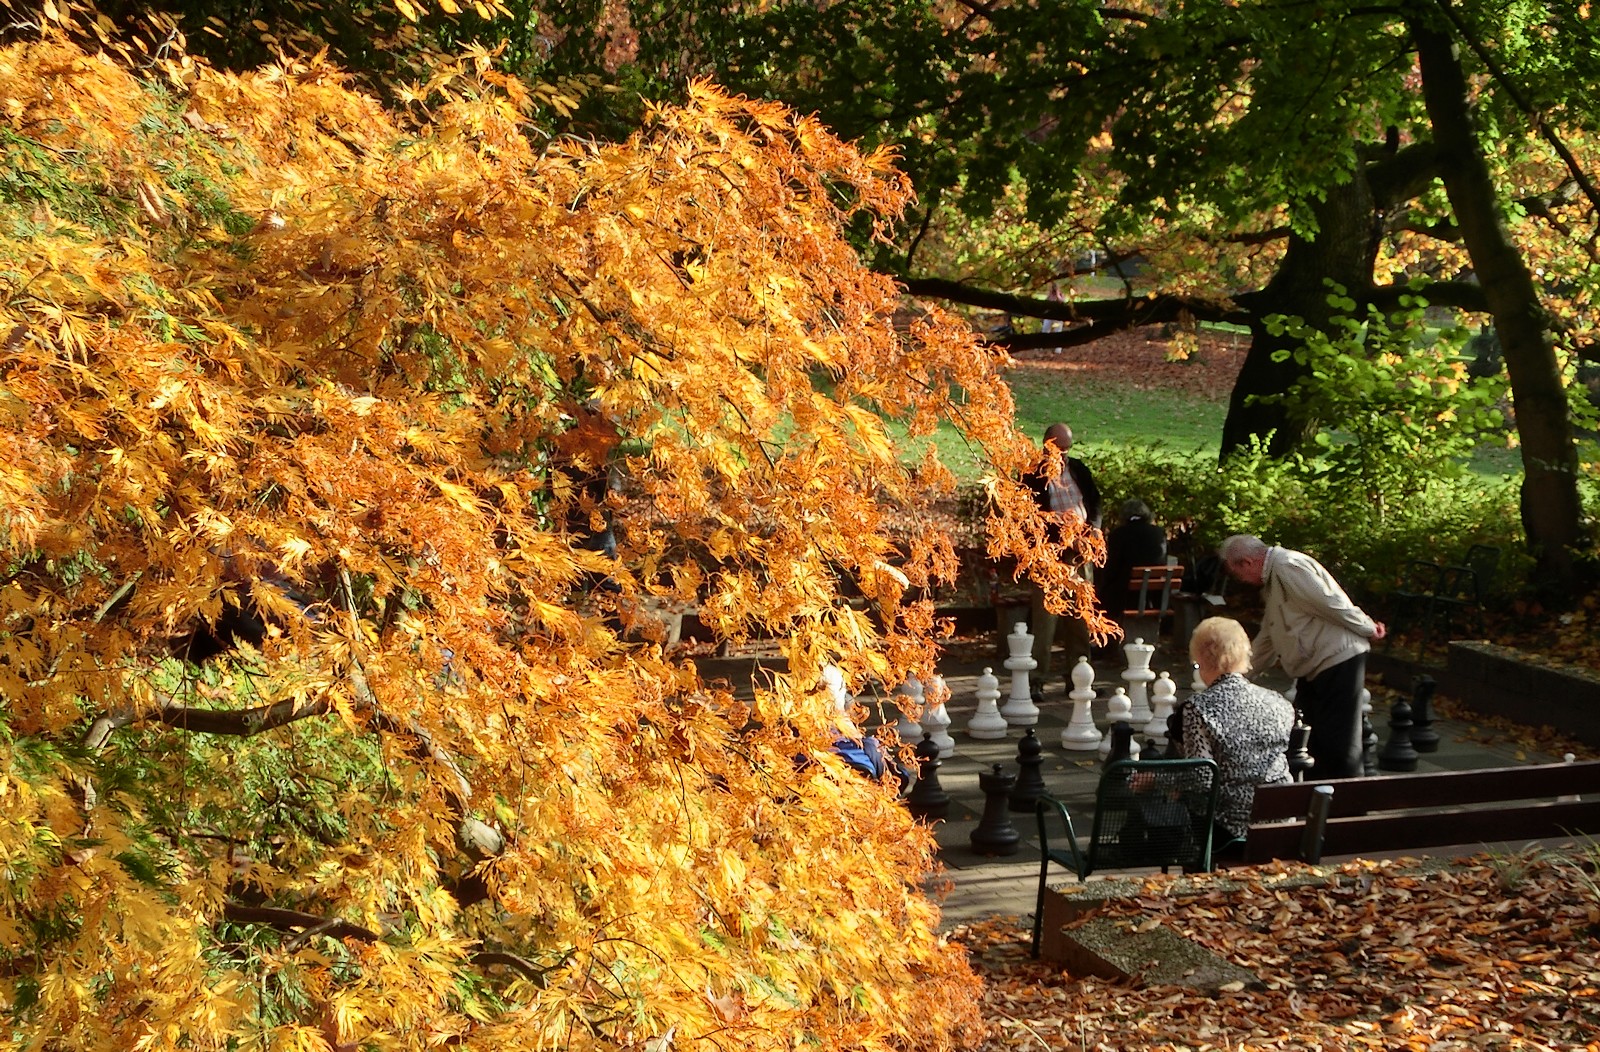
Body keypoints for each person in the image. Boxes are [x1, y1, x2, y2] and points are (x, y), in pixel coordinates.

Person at [1219, 534, 1386, 779]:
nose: (1240, 580)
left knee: (1339, 741)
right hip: (1316, 665)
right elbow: (1269, 634)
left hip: (1338, 658)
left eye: (1237, 573)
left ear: (1247, 562)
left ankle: (1349, 806)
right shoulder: (1274, 579)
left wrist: (1368, 627)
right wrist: (1235, 676)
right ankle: (1314, 800)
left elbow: (1331, 602)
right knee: (1307, 739)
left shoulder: (1288, 566)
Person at [1173, 617, 1295, 846]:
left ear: (1201, 660)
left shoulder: (1198, 708)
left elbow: (1201, 779)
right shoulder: (1279, 703)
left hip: (1231, 831)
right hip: (1281, 822)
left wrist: (1165, 783)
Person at [1024, 423, 1102, 678]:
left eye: (1067, 449)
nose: (1063, 454)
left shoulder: (1078, 469)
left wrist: (1093, 531)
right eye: (1059, 449)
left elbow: (1095, 502)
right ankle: (1036, 682)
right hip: (1049, 557)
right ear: (1047, 446)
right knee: (1045, 622)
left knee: (1080, 618)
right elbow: (1030, 520)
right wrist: (1064, 538)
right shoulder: (1031, 475)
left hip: (1080, 555)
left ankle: (1080, 678)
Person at [1099, 498, 1168, 622]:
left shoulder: (1119, 534)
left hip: (1124, 593)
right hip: (1153, 595)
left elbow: (1113, 567)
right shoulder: (1158, 532)